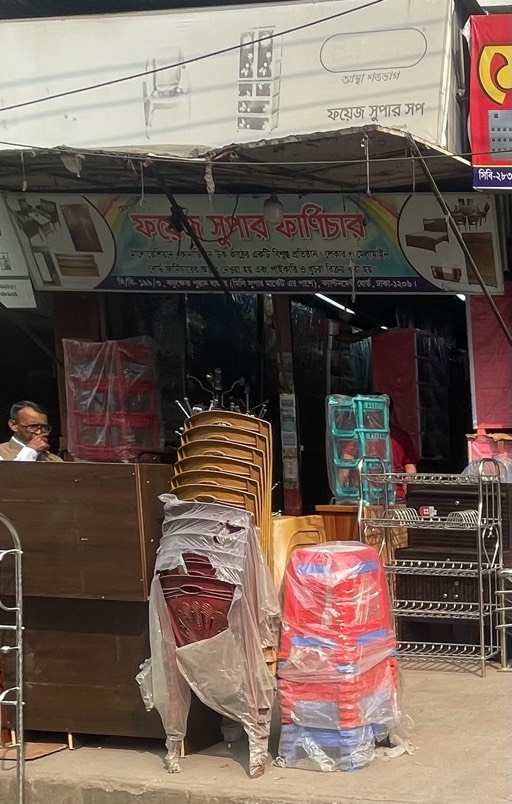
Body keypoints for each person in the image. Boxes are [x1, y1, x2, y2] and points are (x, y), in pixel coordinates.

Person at [388, 398, 417, 502]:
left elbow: (345, 468)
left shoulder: (359, 436)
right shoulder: (402, 436)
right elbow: (411, 472)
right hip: (396, 496)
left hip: (363, 496)